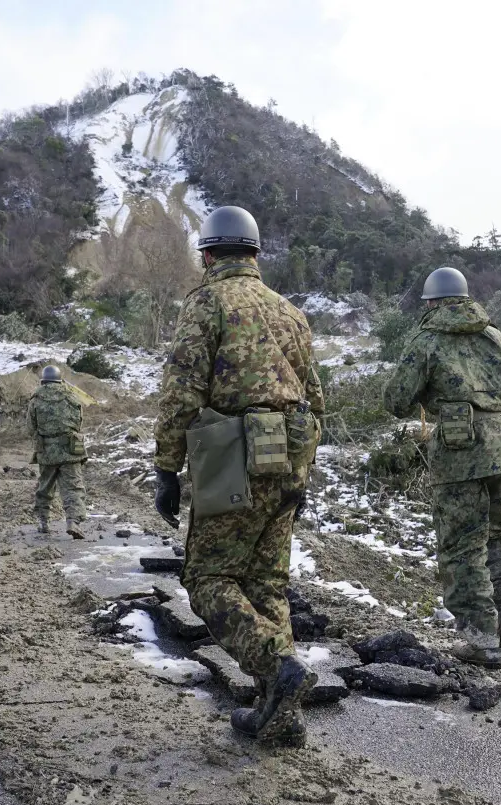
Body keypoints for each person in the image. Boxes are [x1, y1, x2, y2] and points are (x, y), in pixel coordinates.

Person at [152, 205, 325, 745]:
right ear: (254, 253)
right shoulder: (291, 312)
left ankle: (277, 668)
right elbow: (316, 399)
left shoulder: (206, 305)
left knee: (207, 581)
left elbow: (182, 393)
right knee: (267, 583)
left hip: (233, 457)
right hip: (290, 458)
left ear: (207, 255)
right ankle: (283, 716)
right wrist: (298, 467)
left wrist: (166, 469)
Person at [382, 267, 501, 669]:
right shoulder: (494, 335)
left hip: (460, 448)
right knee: (498, 532)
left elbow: (395, 400)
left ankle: (481, 638)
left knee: (462, 543)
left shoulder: (427, 340)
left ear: (430, 302)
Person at [28, 364, 87, 540]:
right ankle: (73, 521)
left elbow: (30, 427)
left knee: (45, 486)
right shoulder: (72, 396)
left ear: (44, 380)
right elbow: (78, 423)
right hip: (70, 450)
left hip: (46, 451)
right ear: (60, 379)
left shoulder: (35, 399)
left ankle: (43, 522)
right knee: (73, 487)